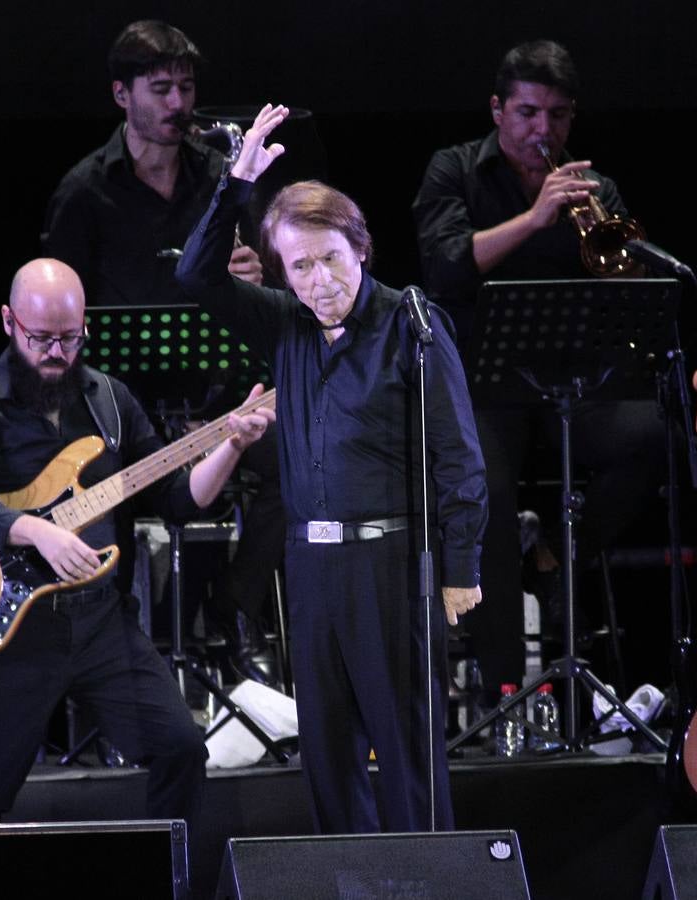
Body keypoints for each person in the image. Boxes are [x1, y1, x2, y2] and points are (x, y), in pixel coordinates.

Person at [176, 104, 487, 833]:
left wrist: (461, 565)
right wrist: (236, 182)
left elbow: (458, 454)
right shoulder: (284, 323)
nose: (318, 281)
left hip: (390, 566)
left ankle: (424, 882)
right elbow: (196, 276)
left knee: (406, 753)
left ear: (361, 250)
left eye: (331, 260)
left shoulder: (411, 323)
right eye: (300, 266)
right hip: (311, 570)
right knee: (326, 754)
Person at [0, 258, 274, 839]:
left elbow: (175, 499)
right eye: (41, 338)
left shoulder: (110, 401)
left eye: (70, 338)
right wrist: (38, 530)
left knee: (181, 747)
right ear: (8, 323)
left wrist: (229, 445)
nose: (56, 353)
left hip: (101, 623)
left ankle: (173, 881)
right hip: (14, 630)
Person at [411, 40, 668, 703]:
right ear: (498, 110)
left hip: (570, 378)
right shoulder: (454, 170)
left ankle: (554, 554)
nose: (541, 131)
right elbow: (444, 267)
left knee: (651, 435)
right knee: (485, 497)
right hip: (480, 381)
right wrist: (533, 219)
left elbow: (623, 281)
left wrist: (622, 262)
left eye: (555, 116)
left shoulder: (593, 189)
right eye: (527, 113)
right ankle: (502, 688)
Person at [42, 20, 283, 681]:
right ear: (122, 96)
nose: (178, 104)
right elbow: (61, 317)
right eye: (160, 89)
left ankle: (234, 611)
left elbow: (261, 292)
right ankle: (114, 671)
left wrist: (251, 283)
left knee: (298, 456)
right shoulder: (84, 192)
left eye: (185, 87)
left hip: (215, 400)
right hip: (120, 417)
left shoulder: (222, 177)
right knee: (84, 501)